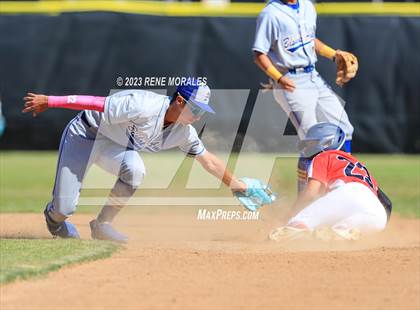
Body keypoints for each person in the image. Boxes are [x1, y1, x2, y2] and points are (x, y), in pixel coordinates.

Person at [22, 84, 275, 243]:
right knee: (64, 210)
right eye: (195, 110)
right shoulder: (143, 104)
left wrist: (236, 184)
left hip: (115, 146)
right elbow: (96, 102)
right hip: (85, 134)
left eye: (201, 112)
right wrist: (51, 101)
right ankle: (54, 219)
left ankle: (102, 225)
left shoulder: (183, 131)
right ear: (179, 101)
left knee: (136, 170)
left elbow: (207, 160)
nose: (198, 117)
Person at [252, 0, 358, 193]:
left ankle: (344, 186)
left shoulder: (308, 6)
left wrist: (334, 55)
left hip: (313, 76)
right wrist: (278, 77)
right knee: (313, 139)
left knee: (344, 127)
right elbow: (259, 54)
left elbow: (310, 40)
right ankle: (305, 203)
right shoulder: (270, 13)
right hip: (290, 80)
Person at [269, 123, 392, 241]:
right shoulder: (360, 165)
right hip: (378, 215)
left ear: (328, 142)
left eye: (312, 143)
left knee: (297, 224)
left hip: (347, 192)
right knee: (334, 232)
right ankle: (342, 231)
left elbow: (311, 191)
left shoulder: (323, 156)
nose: (308, 148)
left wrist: (291, 214)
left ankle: (294, 229)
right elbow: (387, 203)